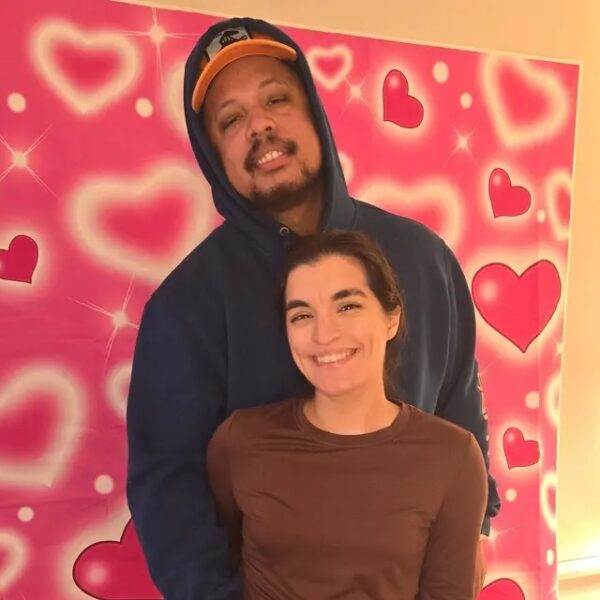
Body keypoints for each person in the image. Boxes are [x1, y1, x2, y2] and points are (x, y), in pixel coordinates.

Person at [126, 16, 500, 600]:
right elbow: (169, 484)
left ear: (315, 114)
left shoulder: (424, 259)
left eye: (276, 99)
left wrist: (475, 525)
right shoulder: (185, 306)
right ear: (213, 154)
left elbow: (459, 406)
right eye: (231, 120)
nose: (259, 125)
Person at [207, 229, 488, 599]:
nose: (324, 334)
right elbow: (214, 561)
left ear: (391, 318)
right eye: (302, 315)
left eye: (348, 307)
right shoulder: (240, 441)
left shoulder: (453, 457)